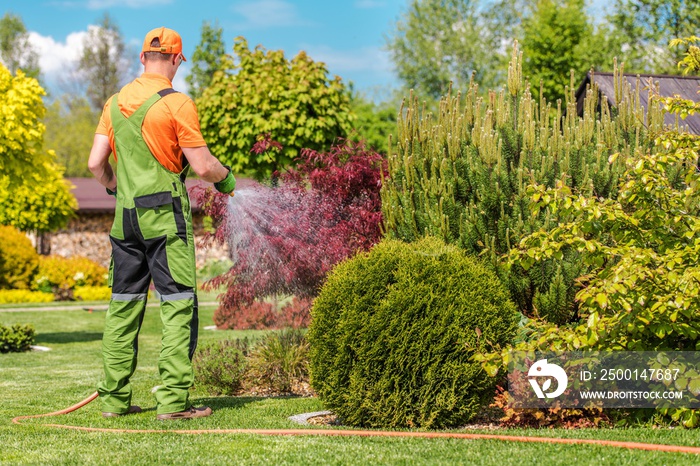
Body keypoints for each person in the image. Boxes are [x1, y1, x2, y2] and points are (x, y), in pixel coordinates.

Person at [87, 27, 236, 420]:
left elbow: (94, 164)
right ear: (176, 59)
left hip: (125, 222)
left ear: (142, 58)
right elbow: (203, 166)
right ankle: (172, 402)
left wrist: (116, 188)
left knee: (122, 307)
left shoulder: (114, 103)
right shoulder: (177, 104)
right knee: (178, 305)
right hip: (165, 221)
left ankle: (114, 402)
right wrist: (226, 179)